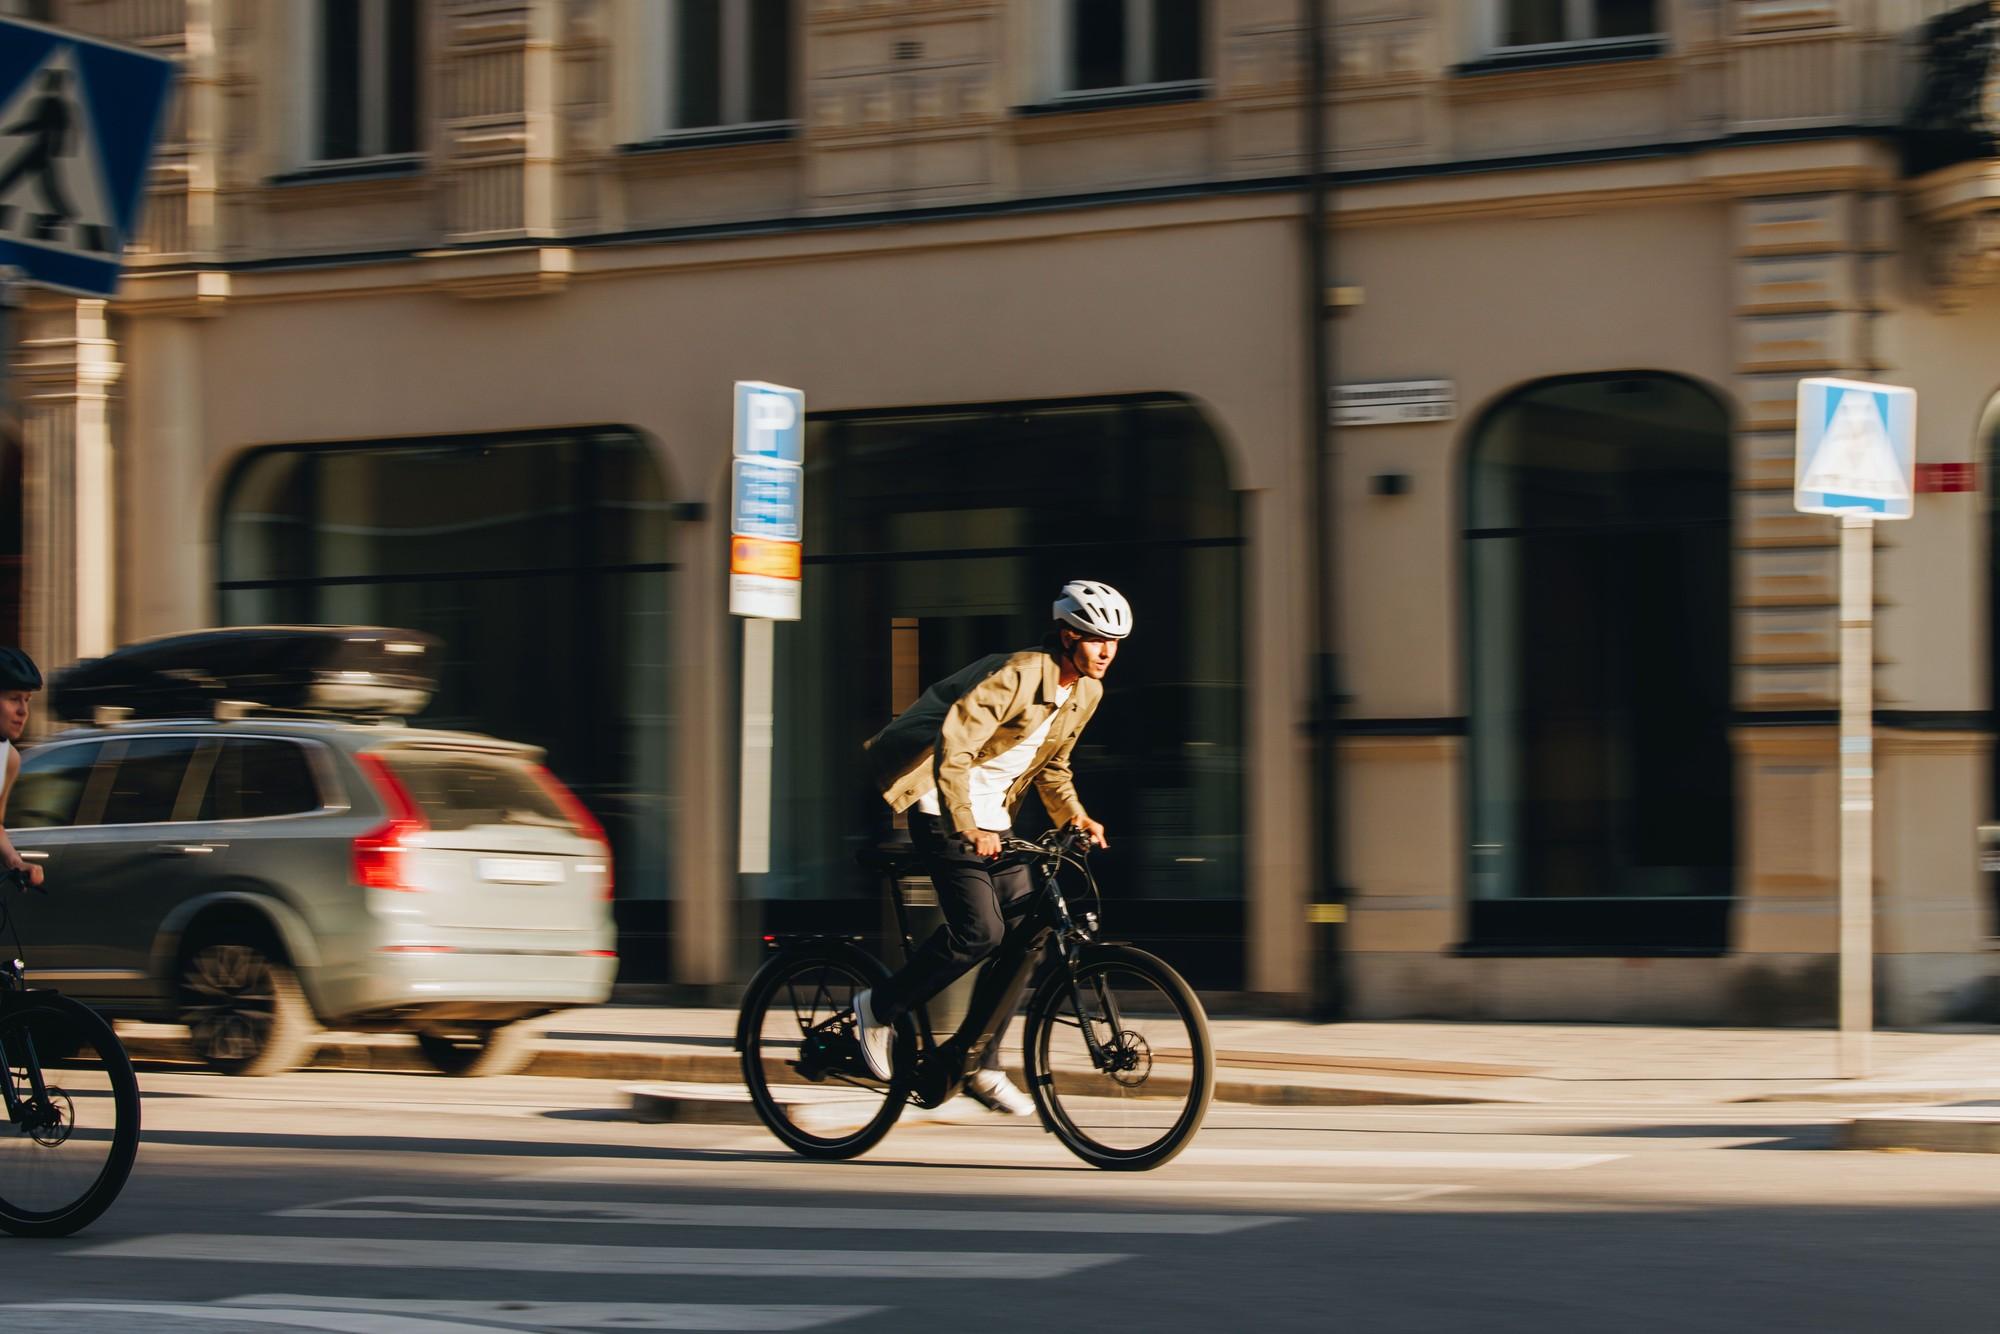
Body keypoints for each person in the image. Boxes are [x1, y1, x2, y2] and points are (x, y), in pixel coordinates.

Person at [854, 580, 1131, 1112]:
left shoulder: (1086, 693)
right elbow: (954, 744)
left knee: (1027, 937)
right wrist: (965, 823)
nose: (1106, 652)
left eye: (1114, 642)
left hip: (994, 818)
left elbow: (1053, 766)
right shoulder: (1017, 674)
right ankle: (877, 1008)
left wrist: (1074, 814)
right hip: (940, 804)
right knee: (980, 932)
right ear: (1069, 636)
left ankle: (978, 1060)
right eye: (1097, 639)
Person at [0, 648, 44, 888]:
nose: (23, 711)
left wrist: (15, 862)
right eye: (13, 699)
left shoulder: (9, 759)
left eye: (26, 700)